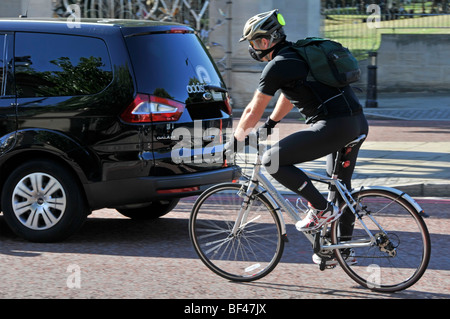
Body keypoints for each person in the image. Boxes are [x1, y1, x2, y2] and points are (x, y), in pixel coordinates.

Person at [226, 9, 369, 254]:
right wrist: (270, 125)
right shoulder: (298, 56)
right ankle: (341, 251)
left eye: (252, 42)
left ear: (264, 41)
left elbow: (252, 110)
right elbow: (290, 96)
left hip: (333, 127)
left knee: (272, 160)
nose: (252, 48)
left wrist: (235, 142)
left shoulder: (277, 66)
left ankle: (320, 209)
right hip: (356, 124)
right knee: (340, 187)